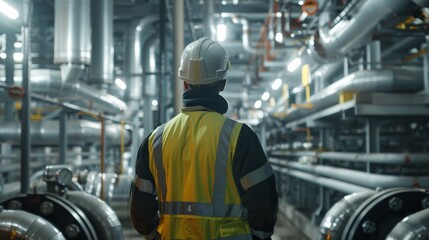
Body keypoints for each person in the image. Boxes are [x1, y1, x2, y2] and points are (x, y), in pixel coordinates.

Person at [129, 37, 278, 240]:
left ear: (185, 84)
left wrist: (155, 234)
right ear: (222, 84)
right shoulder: (240, 137)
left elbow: (140, 209)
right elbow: (263, 203)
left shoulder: (155, 140)